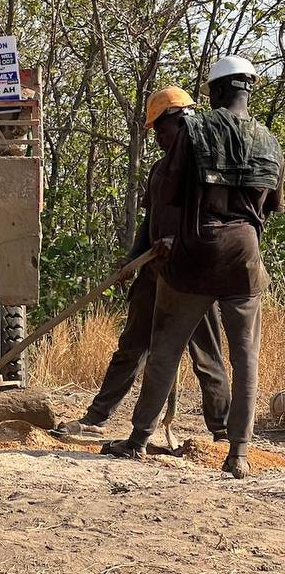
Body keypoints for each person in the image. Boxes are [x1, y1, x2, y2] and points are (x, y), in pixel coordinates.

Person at [103, 56, 284, 478]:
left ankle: (138, 440)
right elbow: (272, 206)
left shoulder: (197, 131)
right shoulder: (271, 141)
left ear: (217, 91)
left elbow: (170, 190)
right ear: (248, 89)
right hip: (245, 257)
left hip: (194, 254)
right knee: (246, 358)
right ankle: (238, 453)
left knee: (164, 349)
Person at [57, 86, 230, 441]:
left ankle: (222, 432)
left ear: (181, 122)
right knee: (131, 348)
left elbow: (216, 223)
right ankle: (96, 418)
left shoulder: (206, 170)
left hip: (192, 278)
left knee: (206, 357)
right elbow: (150, 223)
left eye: (161, 131)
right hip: (154, 273)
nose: (158, 139)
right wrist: (132, 260)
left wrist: (179, 242)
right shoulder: (159, 170)